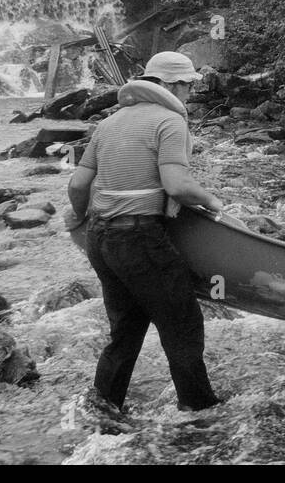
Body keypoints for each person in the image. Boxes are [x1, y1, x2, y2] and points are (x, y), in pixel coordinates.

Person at [66, 51, 225, 413]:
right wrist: (214, 203)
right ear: (170, 84)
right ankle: (200, 413)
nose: (189, 93)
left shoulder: (109, 123)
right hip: (139, 240)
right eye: (187, 84)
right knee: (182, 326)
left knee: (124, 332)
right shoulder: (169, 122)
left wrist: (79, 218)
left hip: (100, 240)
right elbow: (178, 186)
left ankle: (103, 410)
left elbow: (78, 185)